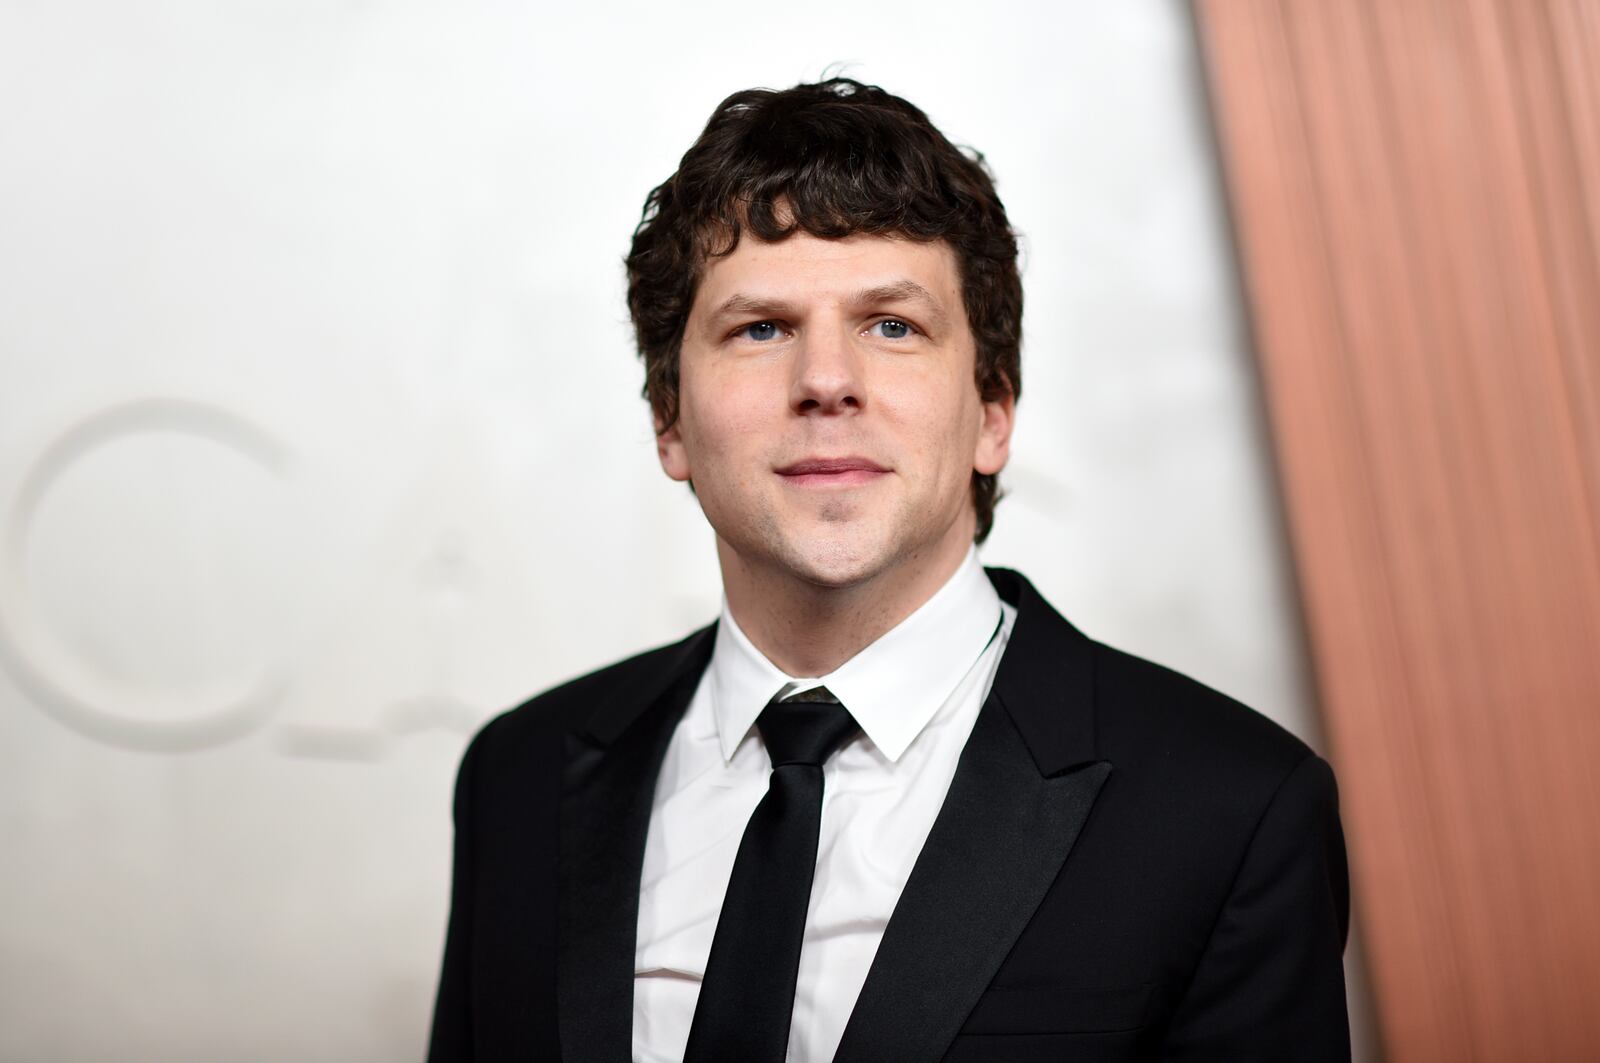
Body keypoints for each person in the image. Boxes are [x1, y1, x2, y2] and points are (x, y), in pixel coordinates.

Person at [425, 78, 1350, 1063]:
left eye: (892, 325)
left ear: (992, 410)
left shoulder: (1230, 807)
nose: (827, 380)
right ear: (668, 419)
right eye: (760, 328)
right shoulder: (516, 778)